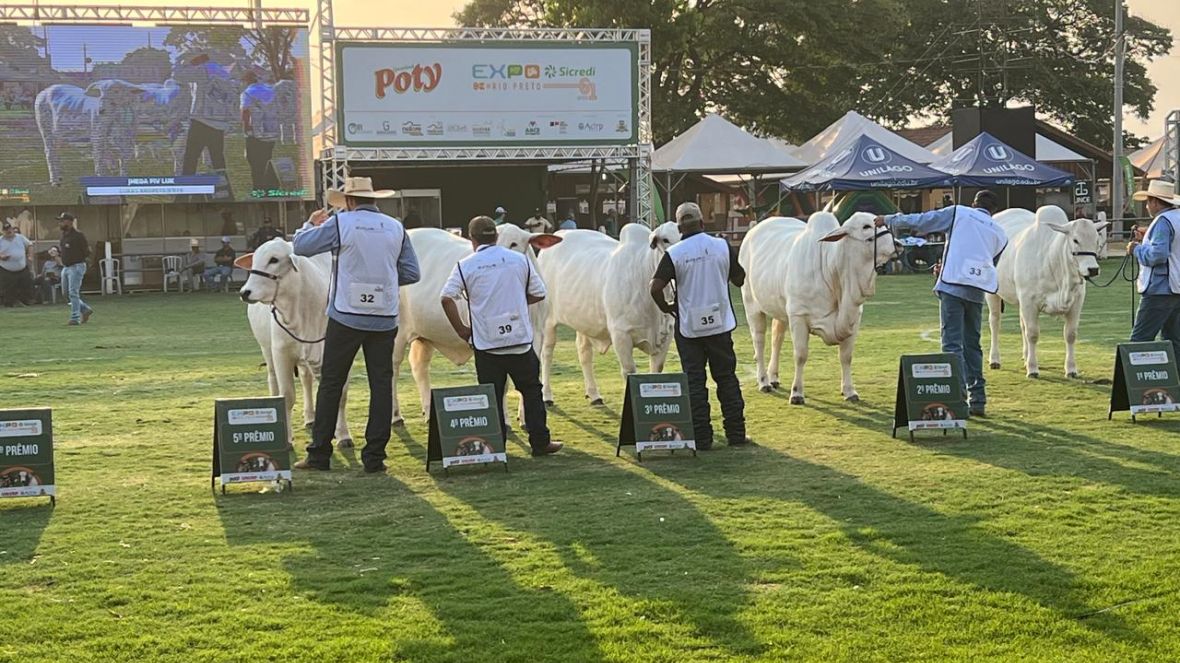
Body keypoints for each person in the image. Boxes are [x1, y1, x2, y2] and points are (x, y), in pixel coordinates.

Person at [292, 177, 421, 473]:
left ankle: (319, 454)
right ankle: (375, 457)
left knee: (331, 383)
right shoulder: (395, 227)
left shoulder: (342, 223)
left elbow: (300, 247)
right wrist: (384, 281)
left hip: (346, 315)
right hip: (384, 317)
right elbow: (412, 273)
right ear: (373, 199)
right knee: (381, 384)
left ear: (349, 201)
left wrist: (310, 225)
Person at [875, 189, 1007, 417]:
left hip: (952, 286)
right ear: (994, 210)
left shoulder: (960, 212)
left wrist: (888, 220)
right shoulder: (1000, 233)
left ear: (973, 203)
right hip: (976, 291)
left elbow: (924, 221)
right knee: (973, 345)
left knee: (952, 345)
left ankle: (958, 400)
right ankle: (978, 399)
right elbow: (988, 262)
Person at [440, 216, 563, 457]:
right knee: (531, 391)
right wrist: (517, 302)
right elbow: (539, 293)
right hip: (518, 342)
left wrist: (462, 330)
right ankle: (540, 442)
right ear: (496, 237)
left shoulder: (466, 265)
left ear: (471, 239)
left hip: (487, 345)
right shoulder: (519, 260)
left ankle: (496, 446)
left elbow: (446, 298)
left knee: (492, 396)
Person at [649, 202, 749, 449]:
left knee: (695, 382)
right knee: (726, 379)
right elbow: (739, 279)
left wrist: (667, 308)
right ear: (703, 223)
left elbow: (655, 288)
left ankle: (702, 438)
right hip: (720, 325)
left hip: (689, 327)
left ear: (680, 227)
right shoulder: (721, 246)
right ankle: (736, 434)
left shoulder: (676, 253)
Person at [1127, 179, 1180, 358]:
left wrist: (1136, 249)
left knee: (1140, 339)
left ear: (1155, 202)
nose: (1147, 206)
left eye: (1148, 202)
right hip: (1177, 288)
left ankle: (1134, 384)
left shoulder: (1162, 222)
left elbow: (1158, 255)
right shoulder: (1176, 218)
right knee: (1174, 340)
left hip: (1159, 289)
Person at [177, 52, 236, 191]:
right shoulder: (223, 72)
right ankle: (225, 191)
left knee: (190, 159)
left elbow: (178, 76)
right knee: (218, 160)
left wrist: (189, 64)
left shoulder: (201, 70)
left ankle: (183, 194)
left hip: (201, 121)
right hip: (219, 122)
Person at [240, 70, 281, 194]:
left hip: (256, 132)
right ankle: (273, 185)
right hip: (272, 130)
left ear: (246, 81)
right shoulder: (270, 90)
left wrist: (246, 128)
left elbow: (245, 111)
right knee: (267, 158)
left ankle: (258, 188)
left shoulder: (247, 93)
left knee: (254, 160)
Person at [57, 212, 92, 325]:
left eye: (63, 220)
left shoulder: (78, 235)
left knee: (73, 292)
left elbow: (86, 251)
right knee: (66, 294)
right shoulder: (63, 236)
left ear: (70, 222)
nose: (60, 223)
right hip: (66, 267)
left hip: (76, 266)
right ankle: (85, 309)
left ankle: (75, 318)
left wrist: (79, 259)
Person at [0, 220, 33, 307]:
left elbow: (30, 245)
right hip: (6, 269)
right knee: (8, 288)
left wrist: (30, 255)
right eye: (6, 230)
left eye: (9, 229)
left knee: (26, 284)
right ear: (3, 231)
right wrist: (1, 256)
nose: (8, 231)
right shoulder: (0, 240)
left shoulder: (20, 237)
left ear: (12, 229)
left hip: (22, 268)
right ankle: (9, 303)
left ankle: (26, 301)